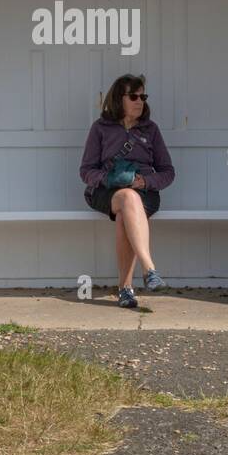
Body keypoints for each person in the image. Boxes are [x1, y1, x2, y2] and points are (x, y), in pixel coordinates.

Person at [79, 74, 175, 308]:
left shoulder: (150, 130)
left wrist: (144, 182)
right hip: (106, 193)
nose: (140, 101)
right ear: (118, 99)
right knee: (126, 198)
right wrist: (109, 178)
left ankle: (126, 290)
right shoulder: (100, 128)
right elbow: (86, 171)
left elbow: (167, 172)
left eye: (143, 96)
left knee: (126, 209)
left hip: (144, 194)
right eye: (133, 96)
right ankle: (149, 268)